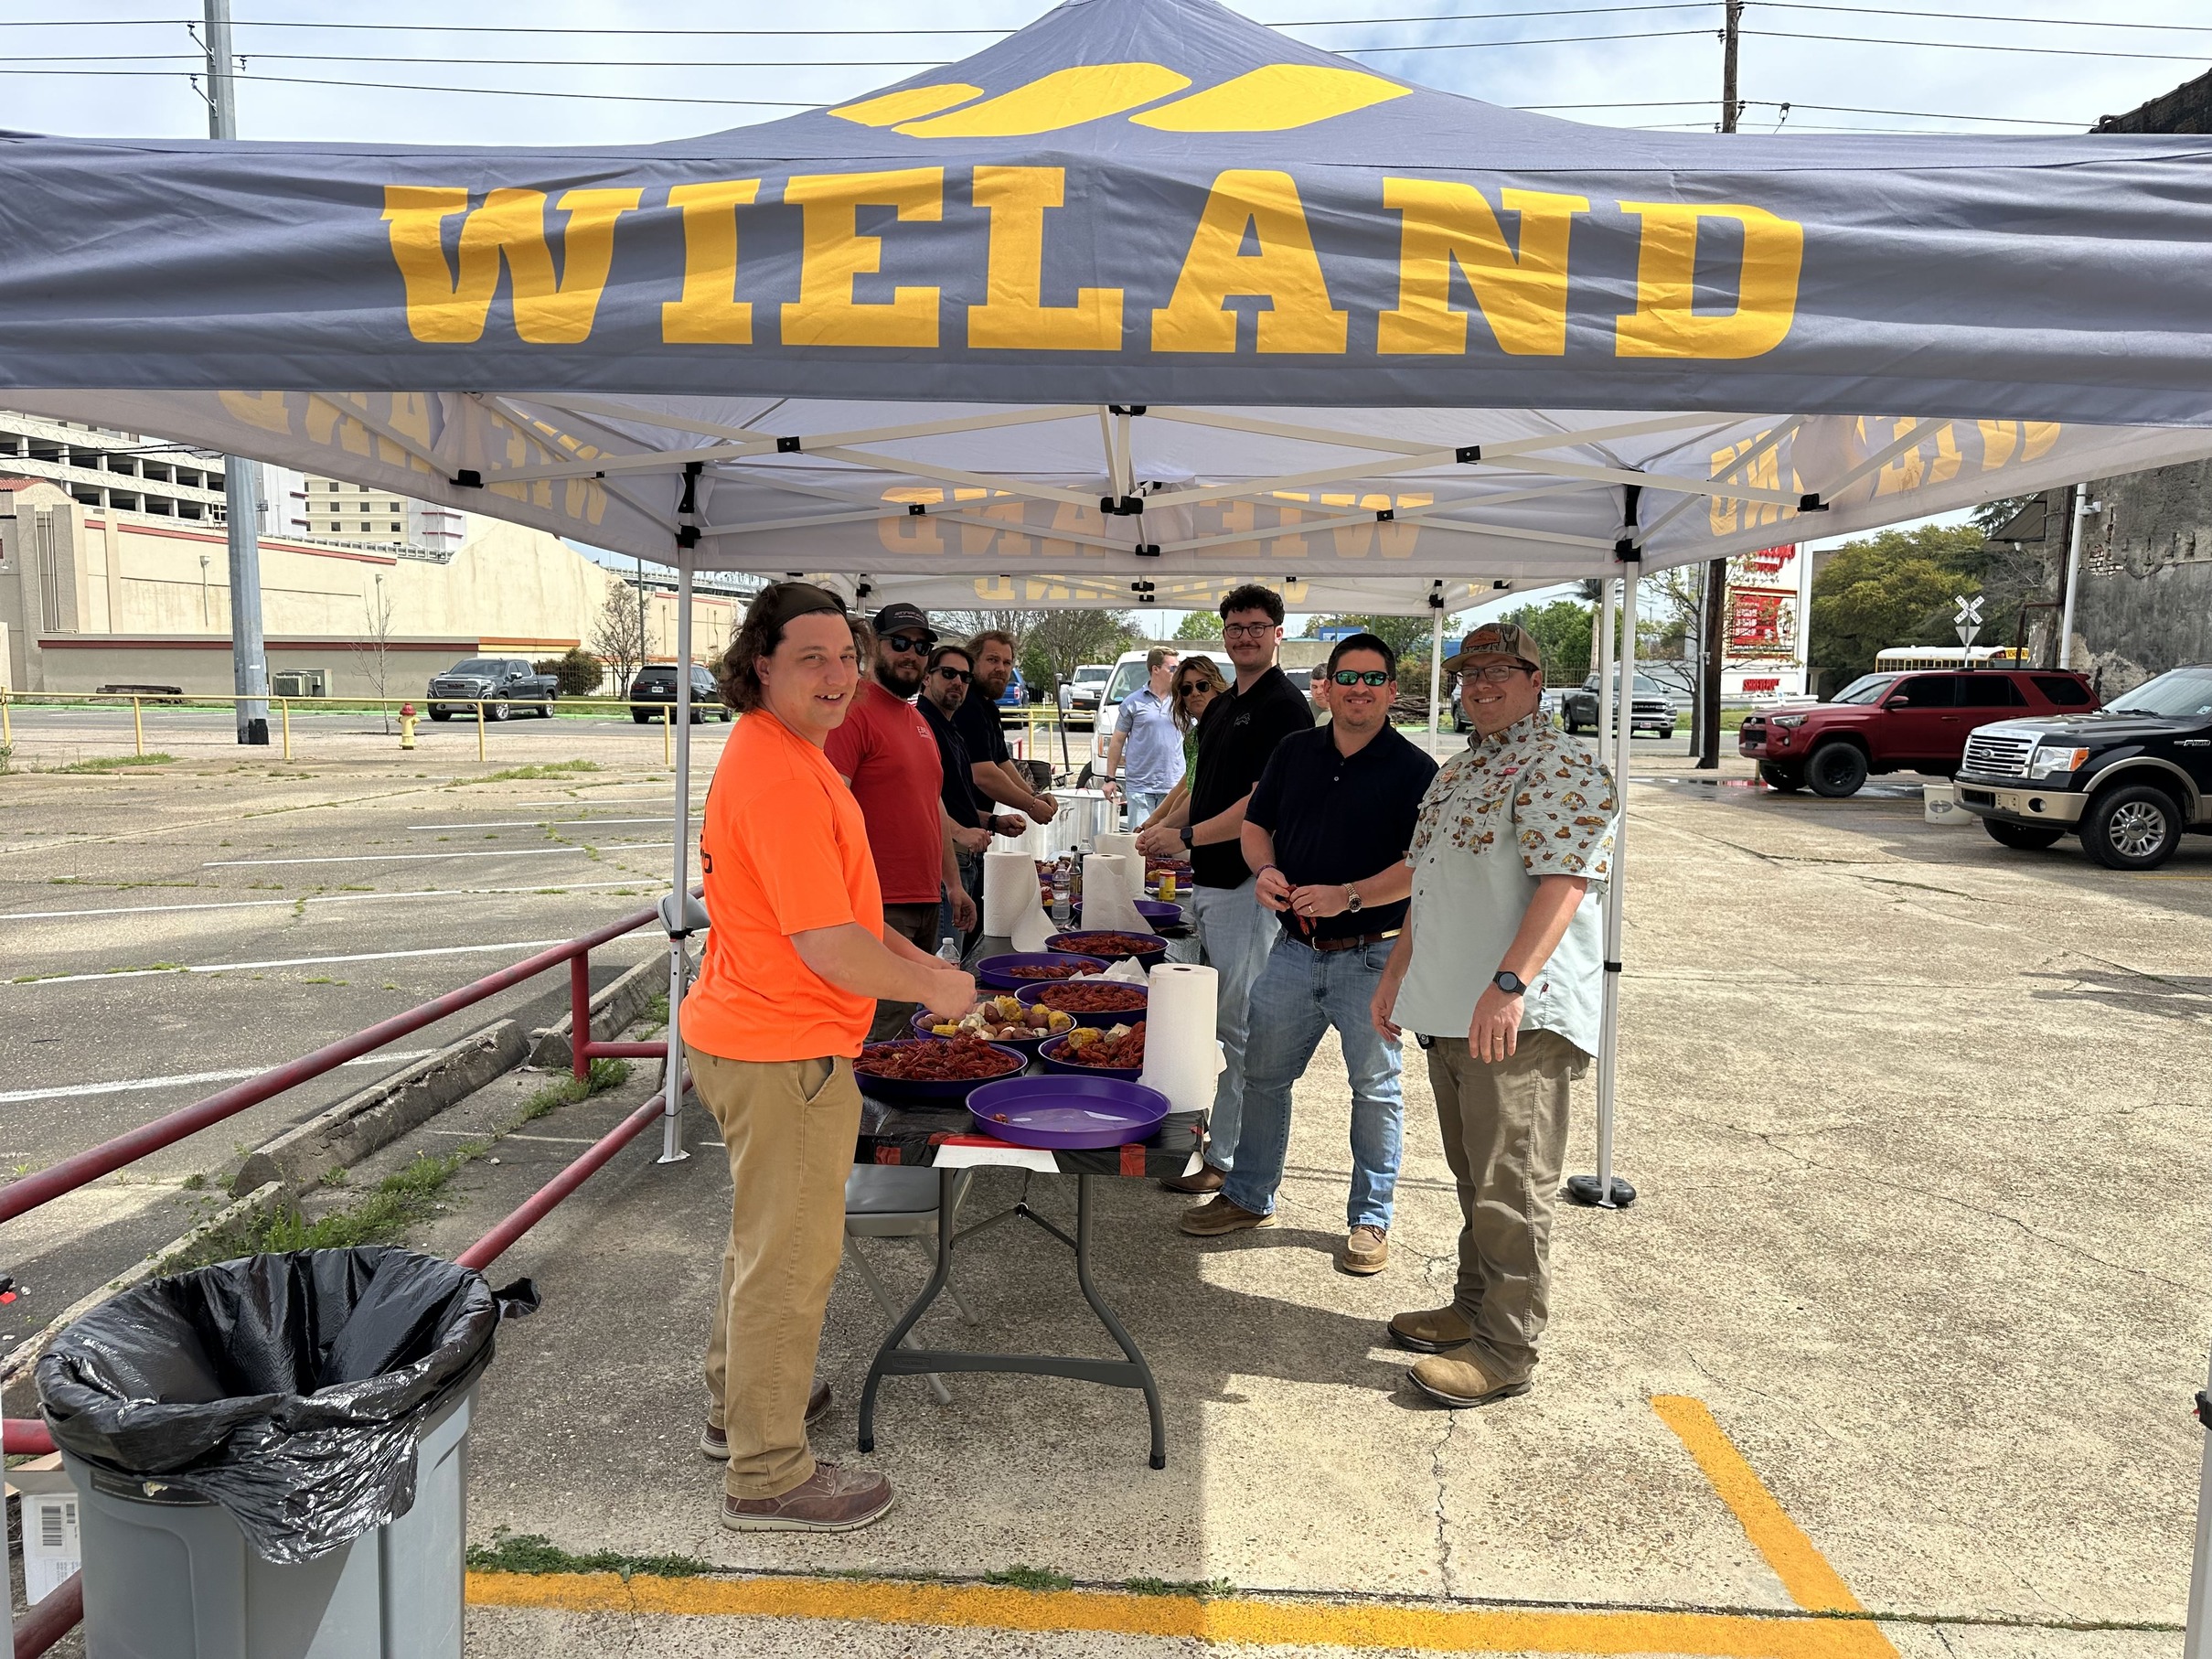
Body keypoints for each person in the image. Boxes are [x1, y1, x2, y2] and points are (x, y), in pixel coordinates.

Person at [688, 581, 974, 1532]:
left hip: (762, 1032)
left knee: (762, 1240)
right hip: (785, 1044)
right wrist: (937, 988)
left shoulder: (788, 755)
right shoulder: (775, 771)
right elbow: (828, 945)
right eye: (812, 656)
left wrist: (918, 958)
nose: (838, 674)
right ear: (759, 663)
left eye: (846, 657)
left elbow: (849, 921)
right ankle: (767, 1473)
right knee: (793, 1257)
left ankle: (743, 1410)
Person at [1369, 621, 1620, 1408]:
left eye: (1500, 671)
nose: (1479, 685)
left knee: (1512, 1187)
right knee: (1472, 1174)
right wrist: (1395, 974)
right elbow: (1425, 881)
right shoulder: (1458, 772)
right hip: (1449, 1008)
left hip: (1517, 1018)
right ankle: (1471, 1307)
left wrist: (1509, 983)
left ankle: (1505, 1348)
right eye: (1468, 672)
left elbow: (1565, 882)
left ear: (1536, 680)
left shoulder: (1561, 765)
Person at [1178, 635, 1437, 1275]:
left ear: (1390, 690)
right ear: (1326, 686)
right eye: (1346, 676)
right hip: (1291, 951)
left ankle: (1369, 1220)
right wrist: (1262, 871)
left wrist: (1350, 896)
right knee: (1262, 1077)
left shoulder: (1415, 770)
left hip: (1370, 957)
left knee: (1375, 1091)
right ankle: (1247, 1194)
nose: (1359, 688)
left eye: (1373, 678)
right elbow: (1255, 826)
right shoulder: (1294, 752)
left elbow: (1420, 865)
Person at [1136, 586, 1314, 1192]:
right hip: (1209, 883)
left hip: (1246, 887)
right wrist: (1163, 827)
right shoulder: (1224, 705)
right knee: (1215, 1023)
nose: (1245, 636)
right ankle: (1216, 1139)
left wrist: (1184, 836)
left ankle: (1227, 1161)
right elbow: (1202, 783)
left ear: (1277, 633)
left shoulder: (1283, 706)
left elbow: (1258, 804)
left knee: (1238, 1029)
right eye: (1235, 626)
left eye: (1256, 627)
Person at [826, 604, 976, 1038]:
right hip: (880, 905)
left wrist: (953, 885)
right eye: (900, 643)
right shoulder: (851, 712)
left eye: (922, 645)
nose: (912, 653)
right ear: (872, 646)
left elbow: (934, 807)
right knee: (880, 1032)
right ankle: (869, 1109)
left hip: (926, 899)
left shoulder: (917, 721)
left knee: (912, 1026)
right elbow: (831, 808)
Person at [918, 640, 1023, 948]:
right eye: (948, 673)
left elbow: (953, 801)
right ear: (926, 677)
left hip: (963, 862)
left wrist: (992, 821)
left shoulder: (950, 727)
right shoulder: (923, 725)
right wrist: (961, 831)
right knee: (945, 964)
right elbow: (920, 803)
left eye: (964, 678)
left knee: (955, 957)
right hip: (943, 864)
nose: (958, 683)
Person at [956, 631, 1059, 833]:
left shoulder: (988, 707)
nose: (1001, 669)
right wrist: (1030, 805)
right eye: (993, 660)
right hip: (956, 833)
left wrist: (1033, 795)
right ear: (972, 661)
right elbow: (983, 774)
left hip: (978, 828)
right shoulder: (966, 704)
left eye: (1007, 662)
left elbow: (1002, 763)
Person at [1137, 656, 1227, 835]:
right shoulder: (1193, 737)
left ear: (1216, 687)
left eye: (1202, 685)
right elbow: (1188, 785)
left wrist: (1163, 825)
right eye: (1186, 689)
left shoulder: (1225, 730)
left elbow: (1199, 793)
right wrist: (1153, 820)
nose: (1194, 693)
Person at [1102, 647, 1182, 830]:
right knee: (1140, 844)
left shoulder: (1181, 702)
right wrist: (1110, 779)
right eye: (1173, 668)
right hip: (1141, 787)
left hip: (1173, 786)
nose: (1177, 673)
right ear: (1155, 669)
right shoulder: (1133, 702)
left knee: (1169, 847)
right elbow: (1117, 741)